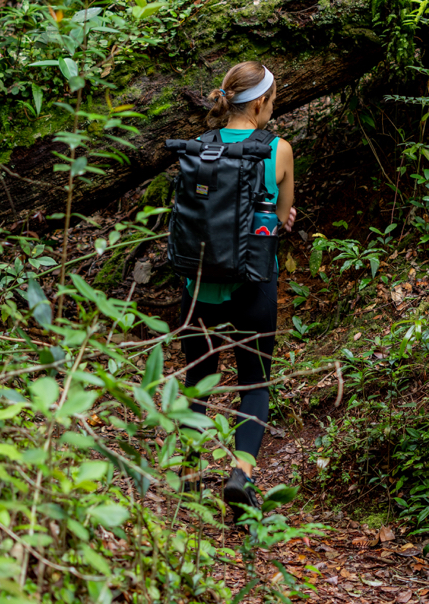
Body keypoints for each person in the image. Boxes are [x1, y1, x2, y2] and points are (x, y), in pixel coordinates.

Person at [179, 60, 295, 516]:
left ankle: (188, 475)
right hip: (252, 281)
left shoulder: (198, 147)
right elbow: (285, 212)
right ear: (262, 102)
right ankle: (241, 475)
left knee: (198, 377)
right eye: (273, 100)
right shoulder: (278, 149)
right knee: (254, 384)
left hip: (199, 281)